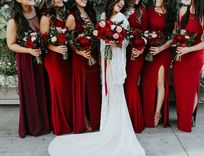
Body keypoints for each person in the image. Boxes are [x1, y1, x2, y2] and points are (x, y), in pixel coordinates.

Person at [48, 0, 145, 155]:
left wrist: (117, 43)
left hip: (114, 61)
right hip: (104, 61)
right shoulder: (103, 15)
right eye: (118, 1)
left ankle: (116, 126)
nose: (120, 4)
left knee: (114, 90)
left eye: (122, 2)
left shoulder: (122, 19)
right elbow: (94, 37)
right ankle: (106, 126)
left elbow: (126, 42)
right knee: (105, 90)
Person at [6, 0, 51, 138]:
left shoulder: (39, 11)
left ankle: (48, 122)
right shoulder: (14, 21)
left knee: (44, 88)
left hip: (42, 55)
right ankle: (34, 126)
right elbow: (11, 44)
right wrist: (28, 50)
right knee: (32, 90)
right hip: (26, 58)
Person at [173, 0, 204, 132]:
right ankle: (183, 116)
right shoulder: (183, 10)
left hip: (194, 57)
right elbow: (177, 32)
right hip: (181, 55)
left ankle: (187, 119)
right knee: (180, 89)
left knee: (190, 90)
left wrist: (188, 50)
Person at [66, 0, 101, 133]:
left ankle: (96, 119)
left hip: (93, 56)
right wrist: (79, 51)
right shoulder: (71, 17)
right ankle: (84, 120)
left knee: (93, 88)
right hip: (81, 58)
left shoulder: (90, 13)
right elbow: (68, 39)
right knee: (83, 88)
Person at [141, 0, 177, 127]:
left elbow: (173, 38)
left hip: (163, 52)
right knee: (146, 82)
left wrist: (160, 48)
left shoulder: (171, 13)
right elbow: (143, 31)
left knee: (160, 83)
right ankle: (147, 112)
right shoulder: (148, 10)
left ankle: (157, 113)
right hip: (149, 52)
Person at [40, 0, 73, 135]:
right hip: (53, 59)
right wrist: (55, 48)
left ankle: (70, 122)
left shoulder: (68, 14)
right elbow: (42, 41)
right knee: (58, 91)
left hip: (66, 58)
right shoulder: (46, 17)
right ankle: (61, 126)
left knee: (67, 90)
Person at [124, 0, 147, 133]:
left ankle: (135, 122)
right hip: (120, 53)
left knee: (130, 84)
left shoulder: (142, 11)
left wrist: (140, 48)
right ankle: (123, 119)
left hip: (136, 53)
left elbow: (146, 34)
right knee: (122, 83)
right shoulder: (120, 9)